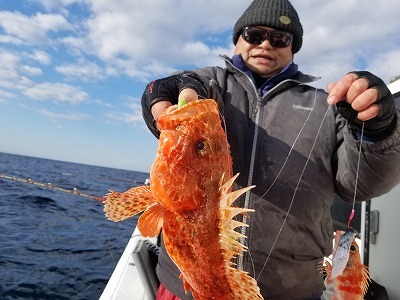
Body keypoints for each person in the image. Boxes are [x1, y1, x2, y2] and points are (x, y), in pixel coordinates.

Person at [140, 0, 400, 299]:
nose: (266, 44)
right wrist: (167, 92)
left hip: (292, 289)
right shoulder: (210, 85)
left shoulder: (327, 107)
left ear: (293, 47)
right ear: (237, 38)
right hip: (184, 283)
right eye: (254, 34)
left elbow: (362, 185)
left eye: (280, 39)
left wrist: (380, 130)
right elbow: (177, 89)